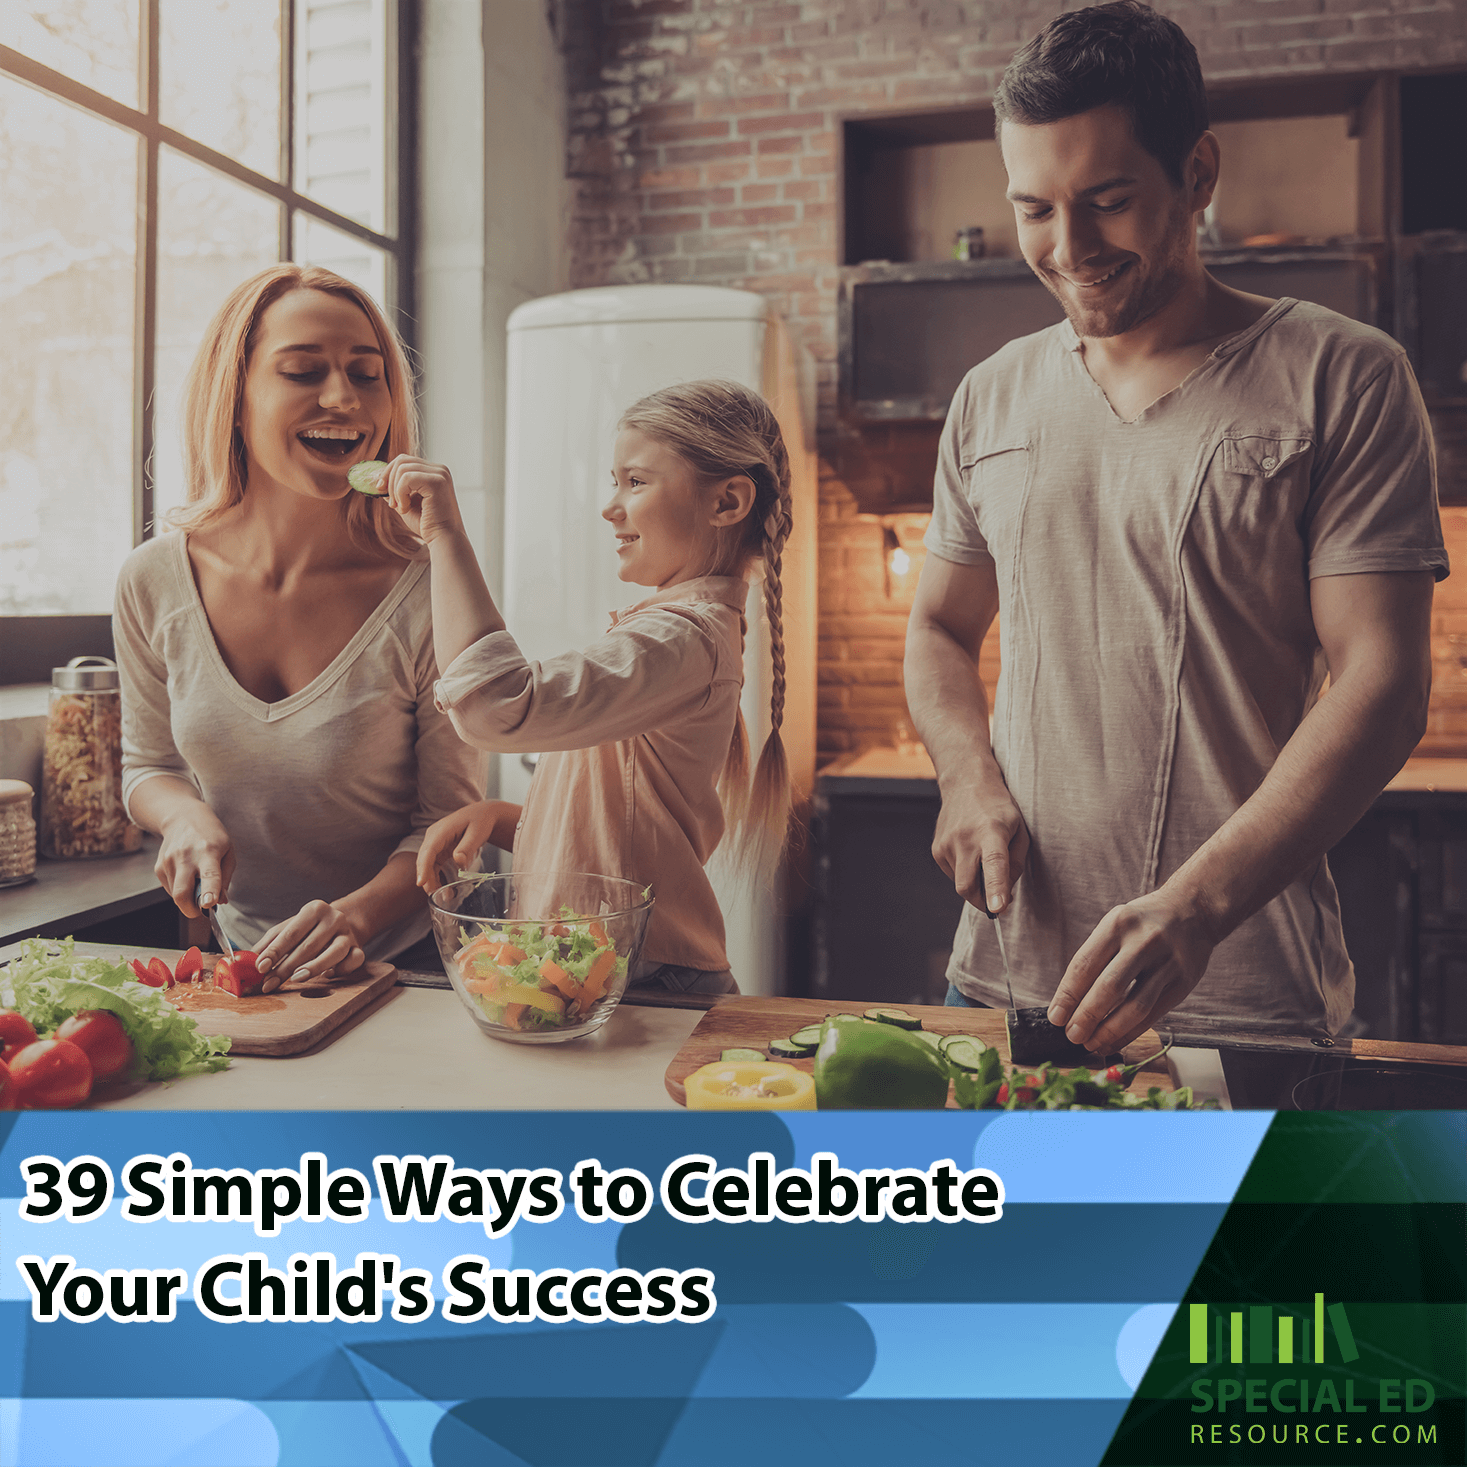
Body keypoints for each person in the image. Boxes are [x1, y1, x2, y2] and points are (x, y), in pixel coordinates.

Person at [904, 2, 1443, 1067]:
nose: (1070, 249)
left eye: (1108, 202)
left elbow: (1384, 685)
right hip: (1010, 976)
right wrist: (965, 775)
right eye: (1036, 210)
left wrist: (1195, 908)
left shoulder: (1344, 375)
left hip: (1246, 993)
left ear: (1198, 174)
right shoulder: (990, 397)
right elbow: (936, 628)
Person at [114, 264, 485, 987]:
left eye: (368, 373)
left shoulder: (427, 588)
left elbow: (449, 827)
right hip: (245, 966)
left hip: (415, 971)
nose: (344, 399)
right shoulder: (151, 580)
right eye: (303, 370)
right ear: (236, 397)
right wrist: (184, 817)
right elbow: (147, 766)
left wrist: (354, 919)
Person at [398, 380, 795, 997]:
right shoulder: (677, 635)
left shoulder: (682, 638)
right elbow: (620, 820)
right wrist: (509, 820)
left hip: (649, 983)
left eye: (636, 482)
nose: (611, 506)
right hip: (612, 976)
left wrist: (444, 534)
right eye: (615, 481)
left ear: (728, 502)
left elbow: (496, 707)